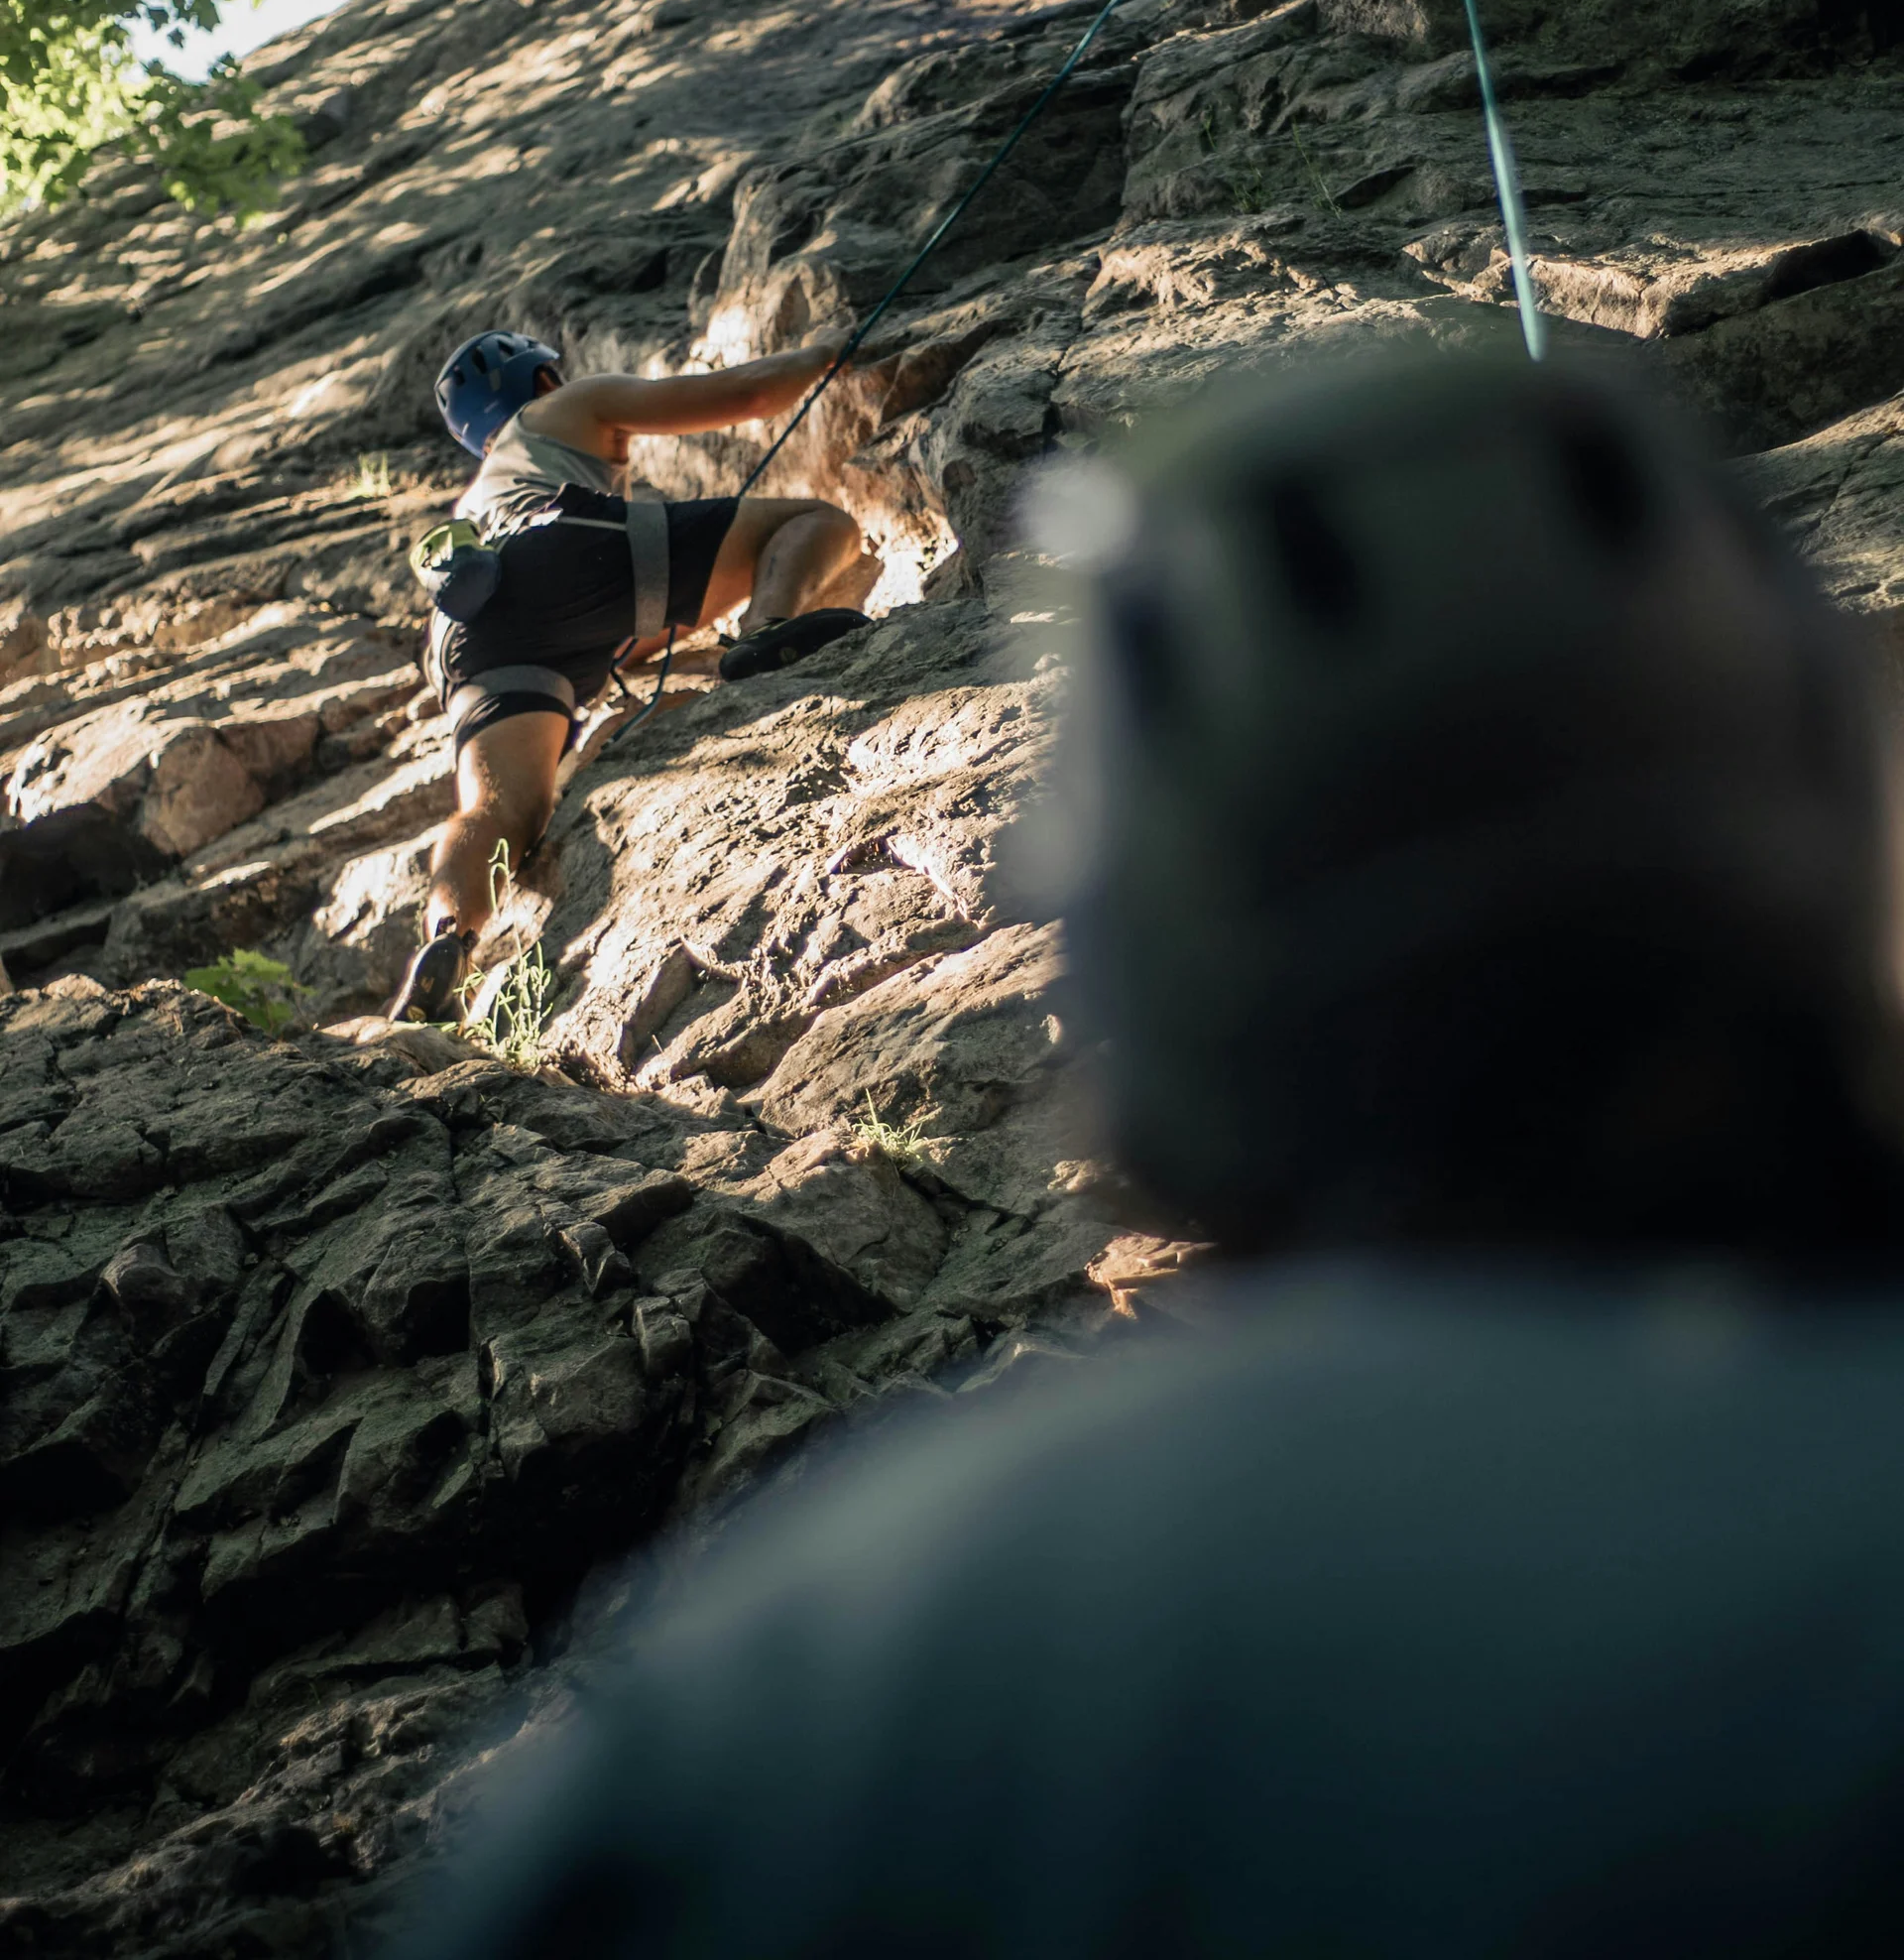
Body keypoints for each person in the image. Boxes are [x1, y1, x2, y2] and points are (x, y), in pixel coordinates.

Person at [388, 339, 1904, 1957]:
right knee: (800, 538)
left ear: (1131, 942)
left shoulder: (776, 1699)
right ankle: (794, 648)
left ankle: (455, 910)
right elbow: (729, 411)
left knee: (500, 805)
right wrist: (840, 369)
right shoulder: (568, 419)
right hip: (596, 572)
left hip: (478, 617)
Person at [390, 327, 876, 1024]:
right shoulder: (561, 410)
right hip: (556, 547)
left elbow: (614, 628)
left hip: (466, 628)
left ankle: (450, 936)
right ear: (543, 379)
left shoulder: (474, 500)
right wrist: (819, 356)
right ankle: (769, 633)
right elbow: (748, 395)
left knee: (499, 809)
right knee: (814, 522)